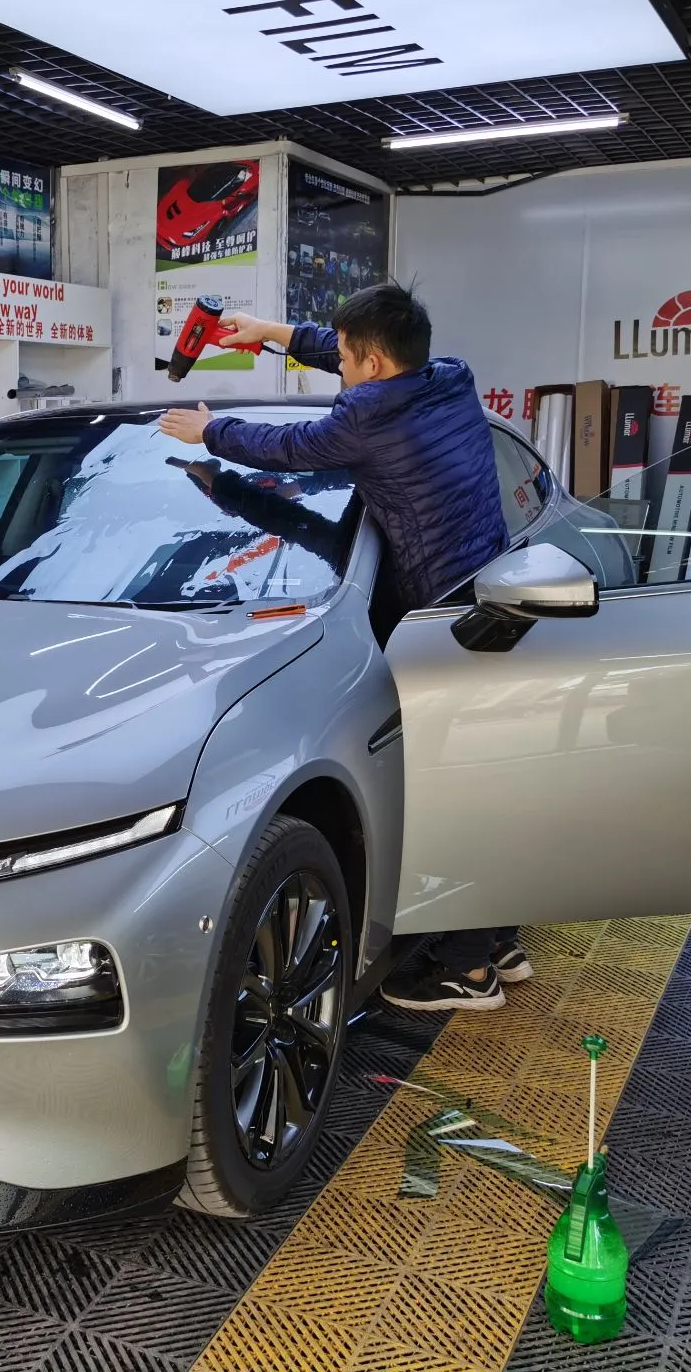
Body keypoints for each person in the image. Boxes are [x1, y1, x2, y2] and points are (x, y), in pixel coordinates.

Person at [159, 282, 528, 1012]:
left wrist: (210, 432)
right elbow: (343, 355)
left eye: (350, 355)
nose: (342, 362)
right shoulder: (450, 377)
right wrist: (267, 331)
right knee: (489, 781)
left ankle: (466, 968)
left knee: (458, 791)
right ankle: (496, 939)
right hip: (491, 601)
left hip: (444, 626)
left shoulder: (364, 422)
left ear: (375, 364)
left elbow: (289, 448)